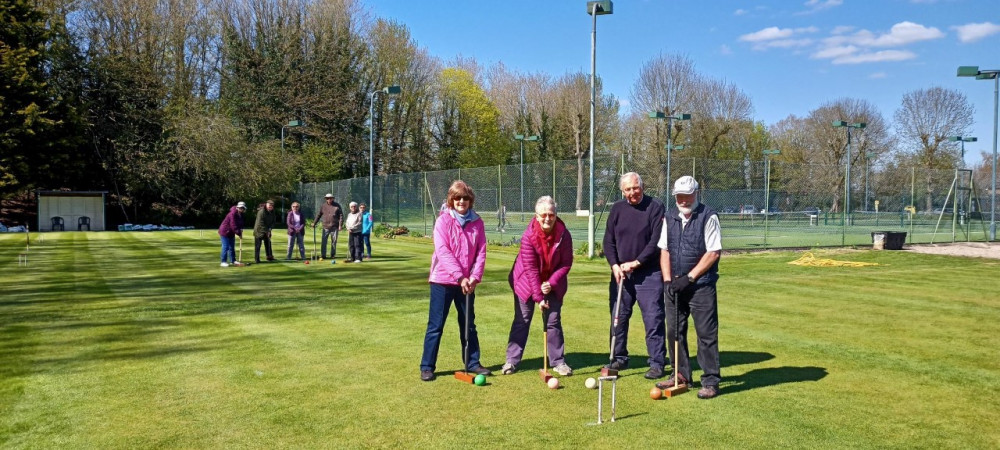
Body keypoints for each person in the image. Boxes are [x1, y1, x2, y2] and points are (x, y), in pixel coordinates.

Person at [655, 175, 723, 399]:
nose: (683, 200)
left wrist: (690, 277)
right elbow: (664, 250)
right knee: (674, 330)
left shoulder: (708, 216)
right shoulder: (670, 216)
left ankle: (711, 380)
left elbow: (713, 252)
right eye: (679, 196)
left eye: (687, 195)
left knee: (706, 334)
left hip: (701, 286)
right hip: (675, 284)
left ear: (696, 194)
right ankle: (680, 374)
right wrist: (667, 281)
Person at [419, 180, 491, 381]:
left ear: (470, 200)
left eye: (465, 198)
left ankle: (473, 363)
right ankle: (427, 366)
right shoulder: (443, 221)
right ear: (451, 200)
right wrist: (460, 276)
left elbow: (481, 252)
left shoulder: (478, 222)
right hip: (443, 280)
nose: (462, 201)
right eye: (457, 198)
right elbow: (443, 251)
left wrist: (475, 277)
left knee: (469, 325)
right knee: (436, 326)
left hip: (467, 283)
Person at [602, 172, 667, 379]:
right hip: (621, 274)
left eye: (635, 188)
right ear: (623, 191)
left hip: (648, 274)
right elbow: (608, 241)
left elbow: (656, 242)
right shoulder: (617, 209)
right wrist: (614, 265)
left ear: (642, 186)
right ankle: (618, 358)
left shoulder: (655, 207)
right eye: (628, 189)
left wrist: (636, 263)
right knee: (618, 318)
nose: (632, 192)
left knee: (653, 319)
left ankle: (657, 363)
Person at [503, 196, 574, 376]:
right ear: (536, 216)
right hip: (526, 281)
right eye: (543, 215)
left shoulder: (564, 234)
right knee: (522, 319)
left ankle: (558, 362)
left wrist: (551, 283)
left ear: (556, 215)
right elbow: (531, 269)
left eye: (551, 214)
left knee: (553, 320)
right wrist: (539, 298)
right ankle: (511, 361)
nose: (547, 219)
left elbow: (566, 263)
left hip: (553, 281)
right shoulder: (528, 236)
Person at [313, 193, 343, 264]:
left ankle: (333, 254)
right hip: (325, 226)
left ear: (333, 198)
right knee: (324, 242)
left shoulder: (337, 205)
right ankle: (323, 255)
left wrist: (340, 225)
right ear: (326, 199)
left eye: (330, 198)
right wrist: (314, 223)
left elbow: (341, 216)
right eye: (327, 198)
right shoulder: (323, 206)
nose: (329, 199)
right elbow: (319, 215)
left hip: (334, 226)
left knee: (334, 242)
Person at [218, 201, 246, 267]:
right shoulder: (232, 214)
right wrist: (239, 233)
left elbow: (241, 223)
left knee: (231, 247)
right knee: (226, 246)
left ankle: (233, 260)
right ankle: (223, 262)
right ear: (238, 207)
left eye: (243, 208)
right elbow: (233, 225)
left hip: (231, 232)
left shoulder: (241, 214)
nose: (242, 209)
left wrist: (241, 229)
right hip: (225, 231)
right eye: (241, 208)